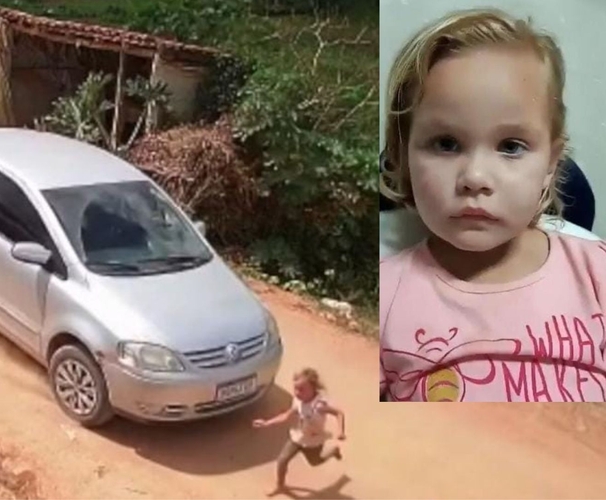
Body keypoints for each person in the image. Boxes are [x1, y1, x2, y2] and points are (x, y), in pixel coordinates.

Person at [379, 8, 606, 402]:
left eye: (511, 147)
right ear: (402, 158)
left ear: (551, 164)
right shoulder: (383, 295)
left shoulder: (596, 274)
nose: (476, 178)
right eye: (446, 144)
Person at [253, 368, 345, 495]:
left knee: (315, 462)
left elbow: (339, 413)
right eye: (295, 388)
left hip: (313, 441)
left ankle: (333, 451)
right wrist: (266, 423)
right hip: (297, 437)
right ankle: (280, 485)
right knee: (282, 460)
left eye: (301, 389)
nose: (297, 393)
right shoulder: (298, 401)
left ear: (313, 388)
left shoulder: (319, 406)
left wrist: (340, 431)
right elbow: (286, 415)